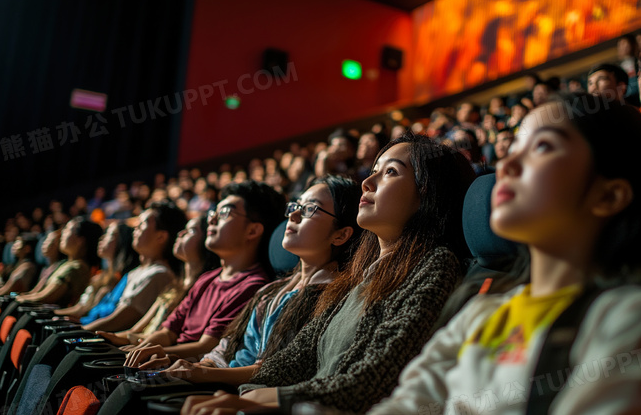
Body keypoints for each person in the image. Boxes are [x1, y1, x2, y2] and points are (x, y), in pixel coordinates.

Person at [368, 94, 641, 415]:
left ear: (608, 195)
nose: (506, 164)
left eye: (542, 147)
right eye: (513, 149)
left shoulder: (629, 316)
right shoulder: (480, 310)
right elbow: (406, 405)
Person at [181, 134, 477, 415]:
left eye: (390, 172)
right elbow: (296, 357)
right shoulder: (358, 277)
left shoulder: (435, 266)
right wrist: (248, 393)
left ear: (428, 194)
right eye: (372, 170)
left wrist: (276, 399)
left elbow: (376, 378)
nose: (367, 182)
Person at [161, 176, 362, 385]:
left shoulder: (332, 296)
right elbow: (227, 349)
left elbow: (280, 370)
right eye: (296, 206)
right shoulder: (270, 291)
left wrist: (204, 374)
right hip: (224, 383)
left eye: (309, 209)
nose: (293, 215)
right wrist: (200, 366)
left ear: (340, 235)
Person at [119, 181, 285, 367]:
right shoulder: (207, 278)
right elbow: (168, 331)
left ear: (253, 230)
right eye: (214, 213)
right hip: (168, 360)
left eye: (225, 213)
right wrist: (138, 350)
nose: (211, 220)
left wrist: (158, 352)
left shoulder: (253, 285)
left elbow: (205, 347)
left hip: (188, 369)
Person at [96, 215, 217, 346]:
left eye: (191, 230)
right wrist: (110, 337)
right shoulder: (174, 286)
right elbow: (136, 330)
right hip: (145, 345)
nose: (181, 233)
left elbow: (177, 339)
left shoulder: (202, 287)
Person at [82, 202, 187, 331]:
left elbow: (118, 321)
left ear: (161, 237)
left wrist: (79, 331)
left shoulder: (159, 274)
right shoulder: (136, 271)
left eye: (142, 224)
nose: (136, 228)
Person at [55, 221, 139, 321]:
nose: (102, 238)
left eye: (110, 235)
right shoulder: (101, 275)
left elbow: (85, 310)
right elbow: (81, 307)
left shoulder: (121, 279)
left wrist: (54, 314)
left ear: (122, 242)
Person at [16, 217, 102, 307]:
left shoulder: (77, 268)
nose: (63, 234)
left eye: (68, 230)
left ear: (80, 240)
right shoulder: (66, 264)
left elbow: (46, 298)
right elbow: (38, 294)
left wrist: (18, 299)